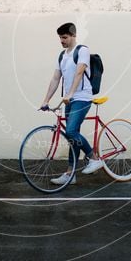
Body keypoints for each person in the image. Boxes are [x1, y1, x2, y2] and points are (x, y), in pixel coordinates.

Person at [40, 22, 103, 185]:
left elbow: (80, 71)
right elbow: (55, 78)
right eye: (60, 38)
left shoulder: (82, 50)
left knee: (71, 131)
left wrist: (70, 93)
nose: (62, 40)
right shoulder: (62, 56)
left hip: (82, 97)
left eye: (65, 37)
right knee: (72, 136)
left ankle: (94, 159)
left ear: (74, 35)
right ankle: (70, 174)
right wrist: (46, 100)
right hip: (69, 99)